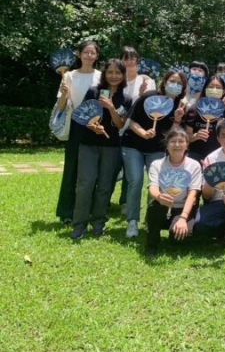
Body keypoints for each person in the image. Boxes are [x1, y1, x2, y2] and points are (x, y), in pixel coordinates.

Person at [70, 59, 132, 239]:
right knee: (85, 184)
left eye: (118, 73)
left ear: (123, 75)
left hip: (111, 146)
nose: (114, 76)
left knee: (105, 186)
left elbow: (120, 125)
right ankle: (79, 224)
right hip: (88, 144)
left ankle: (98, 222)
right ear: (104, 74)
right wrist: (92, 126)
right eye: (110, 72)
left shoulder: (126, 99)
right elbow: (82, 115)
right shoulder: (93, 91)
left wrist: (111, 108)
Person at [120, 70, 187, 238]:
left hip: (157, 149)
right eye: (172, 81)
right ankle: (132, 221)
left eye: (179, 83)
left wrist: (177, 119)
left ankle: (150, 220)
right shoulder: (148, 97)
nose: (175, 85)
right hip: (133, 145)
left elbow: (173, 135)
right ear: (164, 82)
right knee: (135, 180)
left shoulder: (179, 106)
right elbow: (131, 121)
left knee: (155, 184)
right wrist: (143, 133)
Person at [55, 41, 102, 225]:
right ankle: (66, 212)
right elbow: (61, 107)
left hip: (95, 126)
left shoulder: (101, 76)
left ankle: (88, 210)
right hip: (76, 127)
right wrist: (64, 94)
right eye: (86, 52)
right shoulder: (69, 76)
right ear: (79, 54)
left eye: (92, 53)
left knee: (91, 172)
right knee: (71, 169)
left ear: (97, 56)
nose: (89, 56)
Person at [144, 127, 203, 258]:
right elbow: (152, 188)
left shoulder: (194, 165)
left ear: (187, 145)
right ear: (167, 145)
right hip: (162, 204)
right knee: (154, 209)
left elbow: (193, 194)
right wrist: (159, 197)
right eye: (173, 141)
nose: (177, 145)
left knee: (177, 241)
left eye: (181, 141)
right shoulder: (157, 164)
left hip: (184, 207)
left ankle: (179, 230)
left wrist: (183, 218)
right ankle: (151, 245)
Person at [114, 46, 158, 216]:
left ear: (138, 61)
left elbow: (149, 105)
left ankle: (126, 201)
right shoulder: (117, 80)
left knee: (131, 171)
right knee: (112, 168)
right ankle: (103, 200)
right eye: (125, 58)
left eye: (132, 58)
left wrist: (141, 95)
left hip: (135, 130)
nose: (129, 61)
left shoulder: (146, 81)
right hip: (115, 127)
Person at [184, 74, 225, 163]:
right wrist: (195, 136)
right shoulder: (194, 109)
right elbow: (187, 137)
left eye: (218, 87)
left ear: (223, 91)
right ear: (205, 89)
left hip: (218, 155)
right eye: (211, 87)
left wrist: (220, 111)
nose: (214, 89)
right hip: (195, 154)